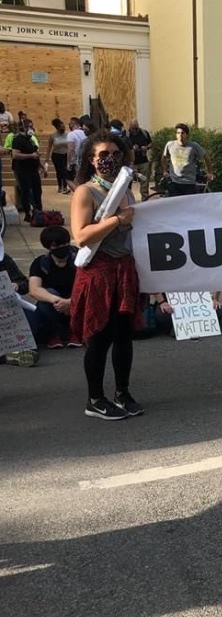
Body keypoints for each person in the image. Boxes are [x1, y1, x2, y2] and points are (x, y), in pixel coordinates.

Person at [70, 130, 142, 420]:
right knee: (100, 337)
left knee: (124, 336)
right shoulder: (85, 192)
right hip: (99, 272)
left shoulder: (124, 189)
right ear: (91, 159)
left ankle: (122, 392)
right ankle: (95, 398)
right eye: (103, 155)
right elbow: (81, 235)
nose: (109, 159)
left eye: (115, 154)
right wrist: (116, 220)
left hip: (124, 270)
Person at [28, 225, 80, 348]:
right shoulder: (41, 263)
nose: (62, 249)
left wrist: (71, 302)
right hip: (54, 308)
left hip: (78, 302)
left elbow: (90, 286)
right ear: (48, 247)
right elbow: (34, 290)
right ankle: (53, 335)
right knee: (47, 296)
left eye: (64, 244)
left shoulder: (80, 258)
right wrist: (58, 301)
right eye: (56, 246)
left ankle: (77, 332)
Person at [0, 249, 39, 367]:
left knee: (33, 321)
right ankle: (8, 356)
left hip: (8, 306)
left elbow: (25, 284)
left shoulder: (4, 259)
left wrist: (17, 285)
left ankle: (14, 352)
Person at [161, 123, 213, 197]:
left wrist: (210, 172)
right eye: (178, 133)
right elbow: (163, 157)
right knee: (175, 205)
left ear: (187, 134)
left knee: (189, 206)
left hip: (189, 182)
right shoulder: (170, 145)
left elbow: (206, 157)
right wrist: (164, 170)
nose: (180, 135)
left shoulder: (193, 146)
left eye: (183, 133)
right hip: (174, 181)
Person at [11, 121, 44, 223]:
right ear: (23, 128)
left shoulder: (31, 140)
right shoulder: (17, 140)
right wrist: (30, 156)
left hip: (33, 170)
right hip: (23, 170)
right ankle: (27, 213)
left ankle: (38, 211)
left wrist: (42, 166)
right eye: (29, 127)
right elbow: (15, 155)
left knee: (37, 191)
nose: (31, 129)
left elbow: (36, 154)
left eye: (32, 126)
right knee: (26, 191)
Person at [127, 118, 152, 200]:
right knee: (128, 182)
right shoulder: (127, 135)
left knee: (144, 181)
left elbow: (150, 143)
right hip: (131, 163)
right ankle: (128, 199)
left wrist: (146, 147)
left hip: (143, 161)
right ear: (130, 126)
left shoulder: (144, 133)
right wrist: (132, 149)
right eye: (134, 128)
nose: (135, 130)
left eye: (136, 128)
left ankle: (145, 199)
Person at [46, 119, 69, 194]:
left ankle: (65, 186)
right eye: (61, 127)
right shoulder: (53, 136)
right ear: (57, 128)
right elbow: (49, 147)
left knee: (65, 170)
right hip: (56, 155)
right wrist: (47, 157)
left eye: (64, 127)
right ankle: (60, 186)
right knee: (59, 171)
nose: (63, 128)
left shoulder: (67, 135)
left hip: (65, 154)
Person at [67, 116, 86, 182]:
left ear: (72, 124)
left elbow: (71, 149)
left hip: (76, 161)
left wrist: (69, 162)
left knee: (70, 180)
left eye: (69, 123)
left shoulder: (71, 134)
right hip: (85, 159)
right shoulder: (85, 133)